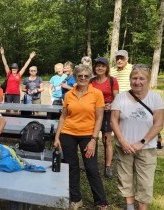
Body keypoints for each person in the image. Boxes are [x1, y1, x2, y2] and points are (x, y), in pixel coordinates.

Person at [110, 64, 164, 210]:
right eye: (134, 78)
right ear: (130, 79)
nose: (137, 82)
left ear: (148, 80)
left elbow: (158, 124)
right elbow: (113, 121)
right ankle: (129, 207)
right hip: (124, 146)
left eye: (142, 78)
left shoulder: (155, 98)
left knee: (145, 183)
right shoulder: (121, 98)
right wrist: (122, 141)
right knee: (125, 178)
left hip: (147, 147)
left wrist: (141, 142)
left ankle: (142, 207)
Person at [54, 64, 108, 209]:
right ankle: (76, 199)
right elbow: (63, 117)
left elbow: (99, 118)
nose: (83, 78)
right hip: (68, 134)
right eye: (80, 76)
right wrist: (57, 137)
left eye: (86, 76)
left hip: (87, 136)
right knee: (72, 167)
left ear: (90, 77)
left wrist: (93, 140)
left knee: (91, 168)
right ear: (75, 77)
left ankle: (101, 201)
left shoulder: (96, 93)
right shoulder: (69, 94)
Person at [91, 57, 119, 179]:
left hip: (108, 112)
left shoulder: (112, 80)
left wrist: (111, 105)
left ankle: (107, 166)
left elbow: (117, 98)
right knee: (93, 138)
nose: (100, 68)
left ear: (107, 68)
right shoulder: (91, 81)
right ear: (94, 67)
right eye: (98, 65)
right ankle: (93, 164)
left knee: (106, 140)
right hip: (94, 113)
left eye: (103, 66)